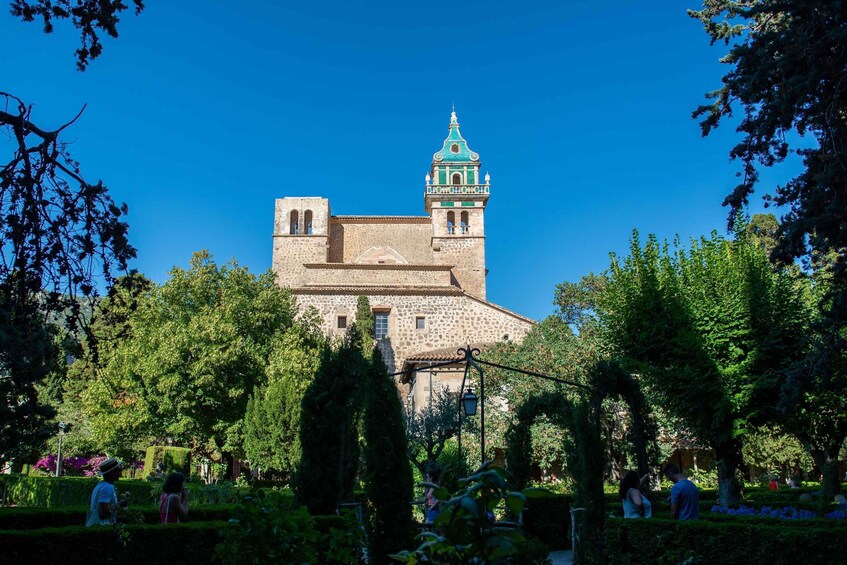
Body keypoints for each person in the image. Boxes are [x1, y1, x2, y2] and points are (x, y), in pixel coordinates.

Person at [85, 457, 129, 527]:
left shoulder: (101, 485)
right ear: (112, 473)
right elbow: (103, 512)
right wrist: (119, 505)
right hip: (102, 527)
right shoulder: (107, 488)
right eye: (119, 470)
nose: (120, 473)